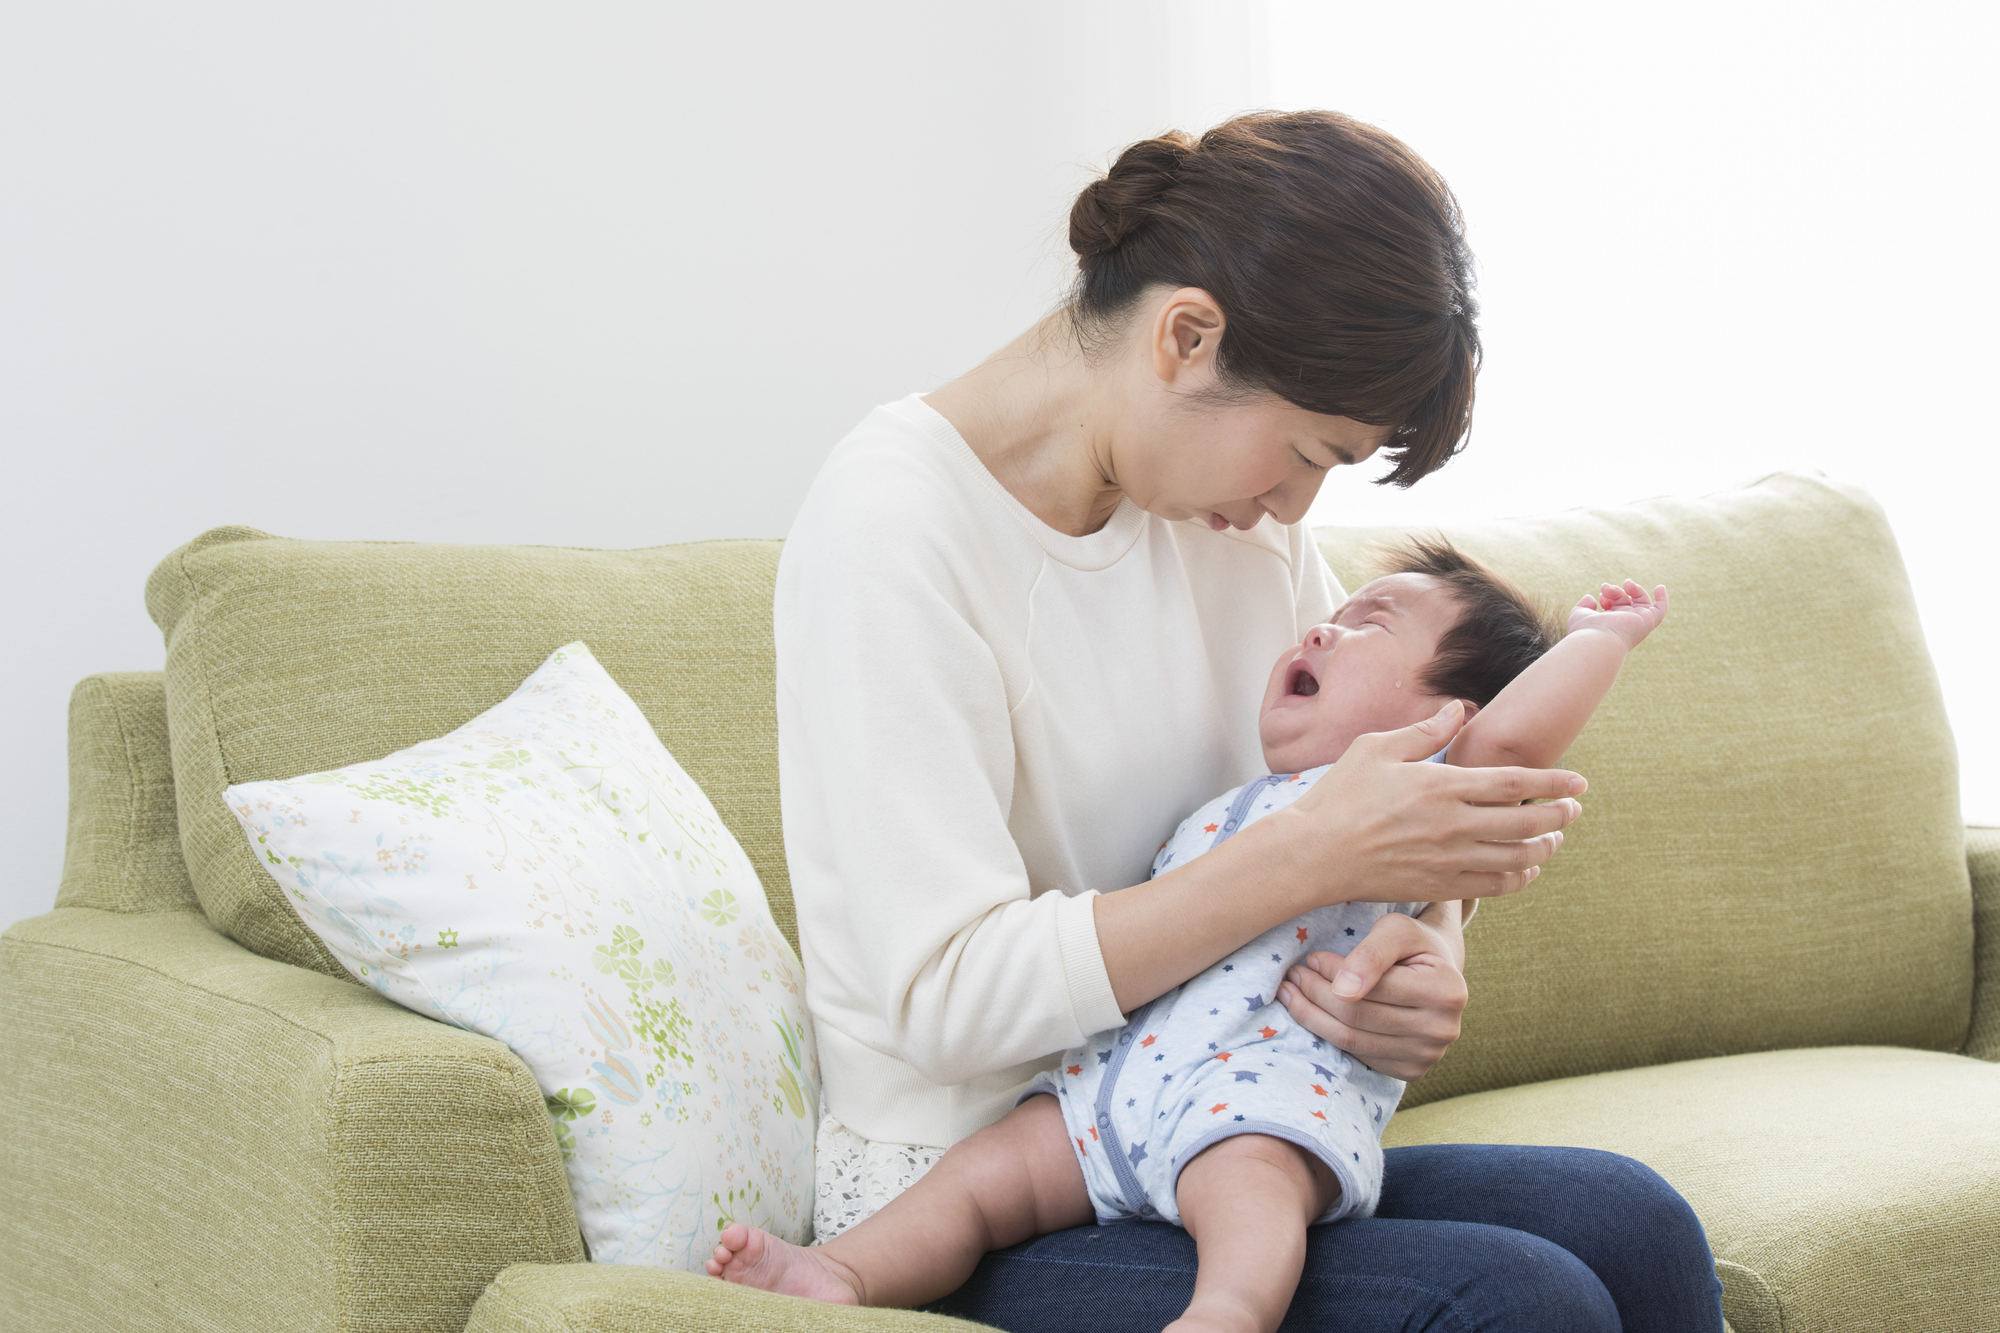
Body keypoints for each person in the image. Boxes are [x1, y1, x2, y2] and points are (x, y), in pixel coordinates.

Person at [771, 111, 1725, 1330]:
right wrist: (1314, 854)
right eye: (1305, 451)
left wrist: (1422, 954)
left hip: (1220, 1112)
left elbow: (1343, 814)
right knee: (1516, 1298)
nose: (1295, 503)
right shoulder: (894, 528)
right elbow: (947, 1000)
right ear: (1184, 335)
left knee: (1630, 1224)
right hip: (987, 1181)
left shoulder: (1236, 526)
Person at [716, 548, 1672, 1332]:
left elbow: (1507, 747)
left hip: (1252, 1101)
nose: (1321, 623)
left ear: (1441, 724)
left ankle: (1226, 1310)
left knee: (1622, 1217)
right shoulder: (1254, 801)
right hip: (1108, 1097)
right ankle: (836, 1271)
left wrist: (1598, 641)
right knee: (984, 1174)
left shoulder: (1403, 784)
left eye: (1368, 622)